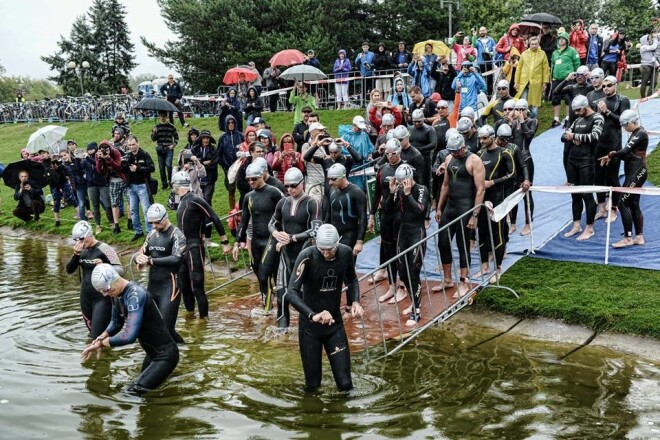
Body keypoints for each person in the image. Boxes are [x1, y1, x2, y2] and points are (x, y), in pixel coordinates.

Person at [284, 223, 364, 391]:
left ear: (337, 244)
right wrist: (313, 315)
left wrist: (355, 301)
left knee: (346, 384)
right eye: (322, 250)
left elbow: (352, 279)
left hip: (334, 326)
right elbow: (291, 292)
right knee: (313, 386)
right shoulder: (307, 256)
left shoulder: (345, 252)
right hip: (310, 328)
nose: (327, 254)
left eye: (330, 250)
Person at [81, 263, 179, 395]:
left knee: (132, 392)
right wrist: (101, 337)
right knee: (142, 389)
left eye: (106, 289)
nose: (105, 294)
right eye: (102, 291)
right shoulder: (117, 294)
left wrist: (102, 344)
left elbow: (129, 336)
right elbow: (115, 323)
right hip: (152, 354)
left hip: (166, 355)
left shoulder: (136, 295)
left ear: (115, 279)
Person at [172, 171, 231, 318]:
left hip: (194, 248)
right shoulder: (182, 200)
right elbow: (198, 219)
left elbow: (214, 217)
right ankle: (190, 318)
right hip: (183, 249)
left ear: (176, 185)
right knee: (184, 286)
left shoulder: (194, 199)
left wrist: (225, 242)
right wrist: (203, 232)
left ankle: (204, 320)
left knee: (197, 287)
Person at [268, 168, 322, 329]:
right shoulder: (283, 202)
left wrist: (291, 238)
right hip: (286, 256)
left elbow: (316, 229)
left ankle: (313, 327)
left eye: (293, 186)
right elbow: (271, 224)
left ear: (302, 183)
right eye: (287, 186)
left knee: (306, 297)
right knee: (282, 297)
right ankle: (282, 332)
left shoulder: (312, 203)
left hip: (305, 255)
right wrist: (277, 234)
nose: (290, 189)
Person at [435, 130, 485, 297]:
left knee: (462, 244)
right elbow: (445, 185)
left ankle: (464, 282)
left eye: (456, 151)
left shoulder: (474, 160)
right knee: (443, 241)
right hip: (451, 206)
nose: (454, 153)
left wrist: (474, 215)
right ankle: (448, 280)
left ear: (463, 147)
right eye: (451, 151)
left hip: (466, 206)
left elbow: (480, 190)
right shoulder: (449, 158)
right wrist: (440, 207)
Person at [383, 163, 429, 326]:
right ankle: (414, 300)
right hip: (403, 233)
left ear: (410, 179)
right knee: (402, 272)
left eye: (403, 182)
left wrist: (408, 195)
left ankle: (417, 311)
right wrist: (392, 192)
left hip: (417, 232)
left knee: (413, 271)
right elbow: (387, 209)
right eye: (399, 182)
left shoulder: (421, 189)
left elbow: (420, 211)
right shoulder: (400, 189)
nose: (401, 184)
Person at [233, 162, 284, 308]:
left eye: (254, 179)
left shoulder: (274, 192)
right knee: (259, 274)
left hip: (272, 239)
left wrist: (284, 235)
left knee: (265, 275)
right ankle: (267, 302)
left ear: (262, 176)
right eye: (248, 179)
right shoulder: (249, 196)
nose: (251, 182)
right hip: (256, 240)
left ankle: (268, 309)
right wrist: (237, 242)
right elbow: (244, 221)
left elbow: (285, 213)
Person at [134, 204, 186, 343]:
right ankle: (185, 350)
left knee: (166, 328)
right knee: (153, 326)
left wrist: (151, 261)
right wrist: (137, 258)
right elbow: (140, 253)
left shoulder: (176, 234)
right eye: (151, 223)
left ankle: (178, 352)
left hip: (170, 286)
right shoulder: (151, 234)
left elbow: (176, 258)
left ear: (165, 217)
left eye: (157, 222)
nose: (154, 226)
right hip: (153, 286)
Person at [598, 110, 648, 248]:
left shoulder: (640, 133)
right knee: (633, 204)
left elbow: (625, 152)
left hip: (637, 172)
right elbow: (628, 155)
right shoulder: (635, 133)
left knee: (622, 202)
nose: (624, 128)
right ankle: (639, 237)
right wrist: (612, 155)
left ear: (633, 122)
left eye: (625, 125)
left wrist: (611, 155)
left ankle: (627, 237)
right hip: (635, 171)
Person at [66, 221, 124, 339]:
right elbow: (69, 270)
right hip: (85, 297)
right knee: (94, 337)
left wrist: (105, 266)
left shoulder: (104, 248)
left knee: (95, 337)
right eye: (76, 240)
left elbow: (121, 270)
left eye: (81, 240)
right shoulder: (80, 250)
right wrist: (76, 255)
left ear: (89, 234)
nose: (79, 243)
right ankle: (109, 356)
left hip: (102, 298)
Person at [561, 95, 604, 241]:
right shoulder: (578, 120)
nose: (577, 113)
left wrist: (575, 136)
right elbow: (563, 136)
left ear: (586, 106)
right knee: (575, 194)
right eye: (575, 111)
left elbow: (595, 136)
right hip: (572, 160)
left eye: (579, 110)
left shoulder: (597, 118)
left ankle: (589, 228)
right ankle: (576, 225)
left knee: (586, 194)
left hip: (587, 160)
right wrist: (573, 136)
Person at [476, 125, 516, 282]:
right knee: (483, 232)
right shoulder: (479, 154)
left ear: (493, 137)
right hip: (482, 199)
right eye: (480, 138)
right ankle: (485, 266)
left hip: (498, 199)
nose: (482, 141)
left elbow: (512, 174)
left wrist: (493, 182)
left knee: (498, 233)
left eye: (485, 138)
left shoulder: (504, 153)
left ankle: (498, 268)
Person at [593, 76, 630, 222]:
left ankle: (614, 209)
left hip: (613, 145)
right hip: (599, 144)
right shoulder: (600, 102)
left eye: (608, 85)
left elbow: (623, 121)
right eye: (603, 86)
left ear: (616, 85)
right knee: (598, 178)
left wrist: (607, 112)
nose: (606, 88)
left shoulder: (622, 100)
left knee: (612, 178)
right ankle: (601, 208)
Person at [122, 136, 155, 241]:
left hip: (142, 186)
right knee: (133, 210)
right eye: (130, 145)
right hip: (131, 186)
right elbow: (122, 169)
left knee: (146, 210)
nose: (132, 147)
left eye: (133, 144)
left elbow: (152, 168)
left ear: (138, 143)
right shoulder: (127, 156)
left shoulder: (144, 155)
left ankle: (149, 232)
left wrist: (138, 168)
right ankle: (138, 231)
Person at [95, 140, 126, 235]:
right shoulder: (98, 155)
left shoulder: (115, 152)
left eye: (106, 149)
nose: (104, 151)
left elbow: (119, 167)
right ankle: (116, 225)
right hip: (112, 181)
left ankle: (130, 221)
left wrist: (109, 158)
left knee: (129, 201)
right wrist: (100, 160)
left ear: (110, 148)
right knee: (114, 204)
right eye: (102, 149)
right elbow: (99, 171)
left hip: (123, 178)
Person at [514, 36, 550, 118]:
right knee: (523, 102)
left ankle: (533, 121)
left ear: (538, 44)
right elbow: (518, 69)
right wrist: (516, 82)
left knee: (534, 104)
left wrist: (545, 82)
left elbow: (545, 69)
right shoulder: (524, 54)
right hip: (524, 82)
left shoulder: (542, 54)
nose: (534, 46)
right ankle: (523, 119)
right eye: (532, 44)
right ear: (529, 44)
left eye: (536, 44)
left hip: (536, 83)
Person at [550, 32, 581, 127]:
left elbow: (577, 63)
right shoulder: (555, 52)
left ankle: (568, 118)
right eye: (559, 38)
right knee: (555, 98)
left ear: (567, 40)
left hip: (568, 78)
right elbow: (553, 65)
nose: (561, 40)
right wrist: (552, 76)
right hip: (556, 79)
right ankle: (556, 119)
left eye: (563, 38)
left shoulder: (572, 51)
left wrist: (575, 75)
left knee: (568, 98)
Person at [83, 142, 113, 234]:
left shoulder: (99, 157)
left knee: (107, 205)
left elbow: (97, 166)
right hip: (91, 185)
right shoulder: (85, 160)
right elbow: (80, 168)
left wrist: (87, 158)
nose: (90, 151)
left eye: (91, 149)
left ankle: (112, 222)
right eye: (88, 150)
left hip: (102, 183)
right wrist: (77, 159)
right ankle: (98, 225)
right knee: (95, 206)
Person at [217, 115, 244, 209]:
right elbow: (218, 155)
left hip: (241, 167)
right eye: (229, 123)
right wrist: (225, 166)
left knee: (242, 189)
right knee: (231, 190)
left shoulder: (241, 136)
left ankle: (242, 210)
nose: (231, 124)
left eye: (232, 122)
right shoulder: (222, 138)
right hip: (228, 168)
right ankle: (232, 212)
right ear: (226, 124)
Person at [409, 109, 437, 188]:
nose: (417, 123)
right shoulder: (410, 129)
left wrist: (420, 149)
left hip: (424, 158)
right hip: (411, 158)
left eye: (419, 121)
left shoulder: (429, 129)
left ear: (423, 119)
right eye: (415, 122)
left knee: (424, 181)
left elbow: (433, 144)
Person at [151, 111, 179, 190]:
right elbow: (153, 139)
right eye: (161, 116)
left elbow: (176, 137)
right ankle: (164, 184)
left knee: (168, 165)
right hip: (160, 148)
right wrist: (154, 132)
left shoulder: (171, 126)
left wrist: (173, 145)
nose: (163, 118)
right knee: (161, 167)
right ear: (159, 117)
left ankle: (170, 181)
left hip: (169, 148)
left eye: (164, 116)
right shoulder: (156, 127)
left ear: (166, 117)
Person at [639, 32, 659, 98]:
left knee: (655, 82)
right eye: (648, 39)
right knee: (644, 82)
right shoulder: (643, 47)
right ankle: (643, 97)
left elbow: (654, 56)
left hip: (654, 65)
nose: (650, 40)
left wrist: (657, 65)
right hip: (646, 66)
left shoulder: (651, 46)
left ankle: (649, 96)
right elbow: (653, 47)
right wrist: (656, 39)